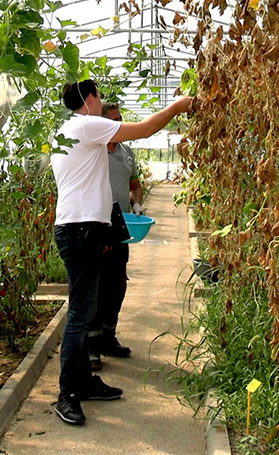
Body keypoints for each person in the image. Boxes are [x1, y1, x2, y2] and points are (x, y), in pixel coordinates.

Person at [50, 79, 193, 426]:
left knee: (85, 307)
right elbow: (144, 130)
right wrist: (179, 106)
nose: (101, 103)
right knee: (81, 311)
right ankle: (68, 393)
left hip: (82, 228)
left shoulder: (65, 131)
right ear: (89, 99)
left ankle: (83, 381)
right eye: (98, 97)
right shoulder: (86, 124)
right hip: (80, 230)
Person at [86, 102, 142, 371]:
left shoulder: (126, 152)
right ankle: (92, 347)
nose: (119, 125)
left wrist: (137, 204)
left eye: (120, 119)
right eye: (114, 121)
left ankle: (109, 336)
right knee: (97, 285)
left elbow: (135, 185)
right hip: (98, 222)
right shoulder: (92, 152)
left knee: (118, 282)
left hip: (121, 223)